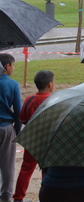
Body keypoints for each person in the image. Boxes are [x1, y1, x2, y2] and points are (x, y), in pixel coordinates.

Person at [13, 70, 55, 202]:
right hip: (49, 142)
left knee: (26, 169)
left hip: (32, 140)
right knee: (48, 171)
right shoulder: (54, 100)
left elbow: (22, 119)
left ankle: (18, 197)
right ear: (50, 84)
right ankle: (46, 196)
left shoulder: (29, 99)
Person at [0, 54, 21, 202]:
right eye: (13, 65)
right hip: (7, 128)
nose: (14, 68)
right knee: (7, 165)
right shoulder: (13, 84)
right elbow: (18, 110)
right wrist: (17, 130)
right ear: (7, 67)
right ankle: (6, 196)